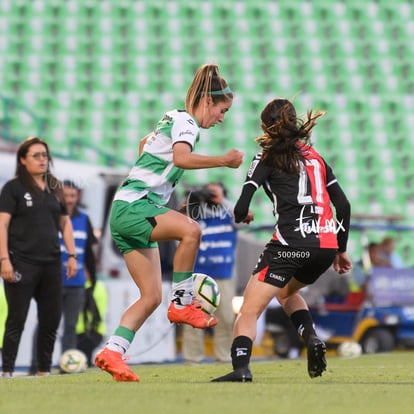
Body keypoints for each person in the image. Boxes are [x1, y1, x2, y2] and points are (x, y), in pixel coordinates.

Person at [94, 63, 243, 382]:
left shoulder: (172, 118)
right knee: (192, 230)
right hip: (136, 206)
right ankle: (184, 302)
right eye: (222, 110)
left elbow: (144, 144)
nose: (221, 117)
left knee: (150, 296)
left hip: (124, 210)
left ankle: (112, 351)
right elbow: (181, 159)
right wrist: (224, 161)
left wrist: (150, 171)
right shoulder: (188, 122)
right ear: (208, 102)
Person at [212, 98, 352, 382]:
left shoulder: (266, 157)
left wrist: (244, 215)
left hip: (289, 247)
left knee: (250, 309)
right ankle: (312, 338)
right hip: (324, 248)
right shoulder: (317, 158)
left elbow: (240, 207)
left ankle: (241, 369)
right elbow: (344, 205)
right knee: (286, 293)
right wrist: (341, 249)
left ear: (266, 127)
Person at [0, 137, 77, 378]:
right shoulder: (12, 188)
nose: (43, 159)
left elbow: (65, 223)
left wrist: (72, 255)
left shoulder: (55, 186)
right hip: (20, 261)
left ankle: (43, 371)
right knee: (16, 319)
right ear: (23, 160)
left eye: (45, 155)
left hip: (52, 263)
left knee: (51, 321)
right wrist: (4, 260)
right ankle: (7, 371)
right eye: (36, 155)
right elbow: (2, 225)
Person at [181, 182, 242, 364]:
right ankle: (192, 359)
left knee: (225, 318)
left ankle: (224, 357)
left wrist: (222, 200)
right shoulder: (196, 215)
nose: (210, 196)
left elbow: (242, 219)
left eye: (214, 191)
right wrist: (192, 201)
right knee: (193, 319)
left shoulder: (228, 215)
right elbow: (179, 219)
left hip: (224, 274)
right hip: (197, 275)